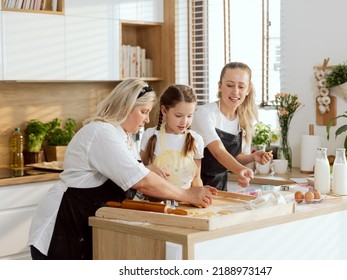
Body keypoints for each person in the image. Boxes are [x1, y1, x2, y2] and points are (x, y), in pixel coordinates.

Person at [28, 79, 216, 260]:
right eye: (144, 112)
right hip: (62, 227)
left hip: (84, 225)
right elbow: (141, 182)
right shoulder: (101, 133)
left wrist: (147, 170)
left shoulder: (123, 137)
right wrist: (187, 195)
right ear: (126, 107)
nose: (147, 119)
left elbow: (136, 175)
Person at [191, 62, 273, 191]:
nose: (235, 92)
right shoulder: (205, 114)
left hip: (219, 189)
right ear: (220, 86)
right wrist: (241, 170)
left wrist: (253, 157)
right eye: (229, 85)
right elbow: (218, 152)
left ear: (248, 90)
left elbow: (235, 157)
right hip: (194, 186)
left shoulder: (243, 119)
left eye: (241, 86)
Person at [140, 84, 204, 189]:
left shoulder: (196, 140)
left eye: (189, 116)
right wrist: (148, 168)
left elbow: (196, 178)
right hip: (157, 201)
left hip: (185, 202)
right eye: (179, 116)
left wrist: (199, 194)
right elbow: (138, 172)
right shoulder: (151, 136)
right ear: (164, 111)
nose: (184, 121)